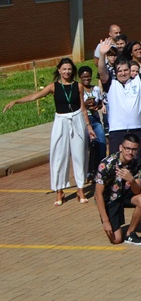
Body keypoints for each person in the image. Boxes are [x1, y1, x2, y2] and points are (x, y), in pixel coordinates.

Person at [4, 57, 95, 205]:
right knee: (59, 155)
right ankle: (59, 190)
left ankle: (80, 189)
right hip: (61, 121)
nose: (67, 71)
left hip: (77, 119)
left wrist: (89, 126)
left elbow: (83, 108)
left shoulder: (78, 86)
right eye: (64, 69)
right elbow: (35, 96)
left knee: (79, 155)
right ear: (59, 70)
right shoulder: (53, 87)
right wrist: (16, 101)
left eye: (69, 69)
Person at [94, 133, 141, 245]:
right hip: (110, 199)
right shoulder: (107, 164)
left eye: (134, 149)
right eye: (127, 148)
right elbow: (98, 195)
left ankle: (130, 233)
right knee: (116, 240)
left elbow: (137, 191)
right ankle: (114, 224)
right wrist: (105, 221)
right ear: (121, 148)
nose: (130, 152)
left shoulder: (137, 162)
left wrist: (131, 180)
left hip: (126, 194)